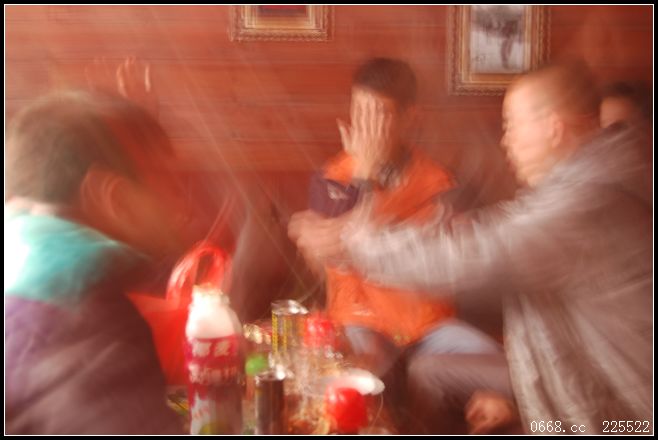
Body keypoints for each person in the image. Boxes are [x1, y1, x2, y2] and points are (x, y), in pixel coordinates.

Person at [289, 62, 653, 434]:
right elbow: (475, 234)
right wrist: (354, 221)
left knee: (435, 366)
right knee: (387, 366)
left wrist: (352, 238)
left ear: (553, 127)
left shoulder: (586, 199)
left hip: (625, 419)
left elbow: (472, 254)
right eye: (361, 113)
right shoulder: (583, 183)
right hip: (363, 320)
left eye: (511, 124)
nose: (505, 140)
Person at [5, 90, 189, 434]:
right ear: (115, 199)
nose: (180, 198)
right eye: (166, 180)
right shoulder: (89, 331)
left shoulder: (25, 274)